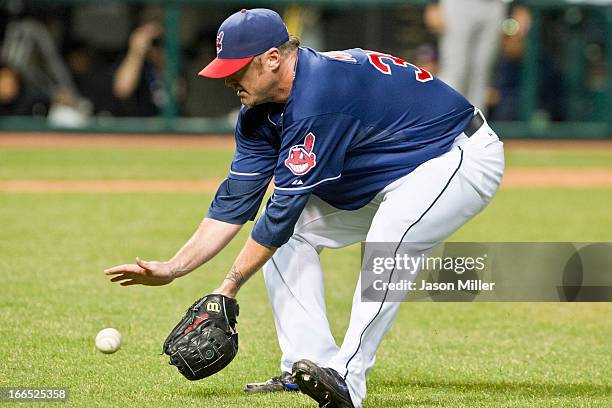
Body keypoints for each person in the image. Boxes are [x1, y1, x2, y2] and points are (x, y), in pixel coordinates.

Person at [104, 8, 504, 408]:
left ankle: (348, 377)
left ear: (273, 59)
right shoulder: (258, 114)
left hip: (458, 155)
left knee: (390, 237)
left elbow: (282, 209)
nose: (228, 79)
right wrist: (174, 267)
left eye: (238, 69)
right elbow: (235, 203)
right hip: (393, 169)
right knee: (292, 236)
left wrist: (227, 287)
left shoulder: (319, 94)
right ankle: (305, 366)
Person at [425, 0, 508, 114]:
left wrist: (520, 5)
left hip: (495, 4)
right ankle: (443, 121)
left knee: (482, 71)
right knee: (455, 69)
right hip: (459, 4)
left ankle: (475, 126)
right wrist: (433, 4)